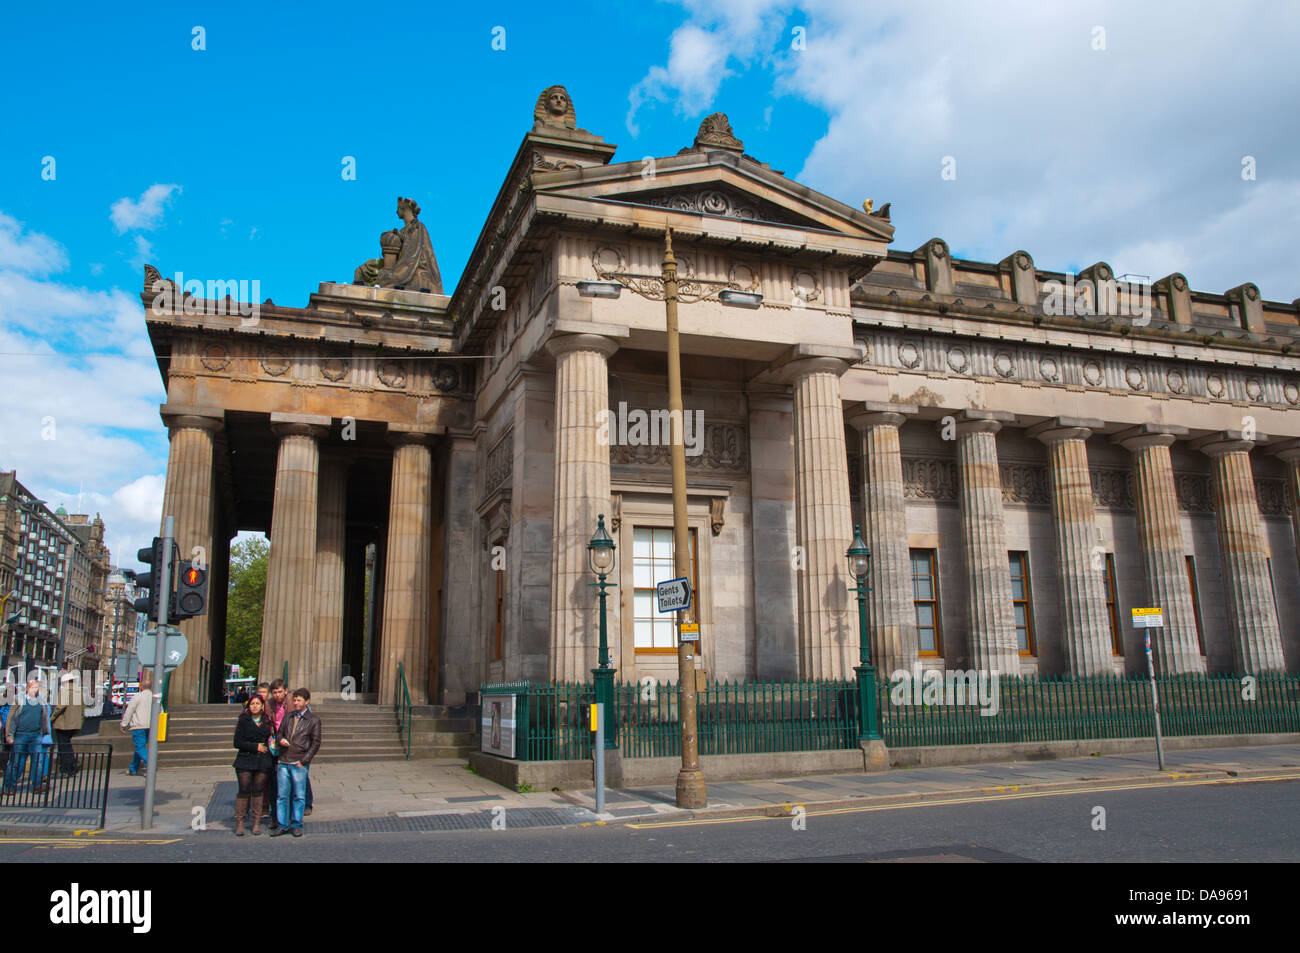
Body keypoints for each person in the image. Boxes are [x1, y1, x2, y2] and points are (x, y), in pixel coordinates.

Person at [269, 688, 320, 838]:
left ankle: (297, 824)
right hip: (284, 760)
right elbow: (279, 733)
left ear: (307, 702)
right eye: (295, 700)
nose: (296, 703)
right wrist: (280, 740)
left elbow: (316, 743)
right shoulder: (287, 717)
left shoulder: (313, 720)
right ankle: (282, 825)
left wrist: (304, 761)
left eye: (299, 700)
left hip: (299, 761)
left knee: (299, 795)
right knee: (282, 796)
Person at [231, 694, 273, 836]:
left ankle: (256, 823)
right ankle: (240, 822)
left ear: (262, 706)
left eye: (257, 703)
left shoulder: (267, 721)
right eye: (252, 704)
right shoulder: (243, 720)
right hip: (245, 759)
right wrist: (255, 746)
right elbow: (237, 742)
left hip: (262, 760)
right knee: (243, 790)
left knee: (258, 790)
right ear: (248, 706)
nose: (255, 706)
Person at [3, 679, 52, 794]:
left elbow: (44, 717)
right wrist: (9, 735)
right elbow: (11, 719)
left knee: (37, 762)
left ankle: (37, 785)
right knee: (16, 762)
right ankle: (8, 786)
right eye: (32, 687)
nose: (34, 690)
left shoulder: (42, 702)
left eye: (36, 688)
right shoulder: (19, 700)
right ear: (27, 689)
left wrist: (44, 733)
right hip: (20, 734)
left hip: (36, 735)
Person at [119, 672, 153, 777]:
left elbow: (129, 711)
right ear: (150, 687)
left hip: (139, 726)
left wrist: (123, 724)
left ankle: (150, 765)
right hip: (151, 726)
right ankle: (133, 768)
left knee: (139, 747)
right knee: (140, 747)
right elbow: (160, 711)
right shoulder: (155, 697)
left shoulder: (138, 697)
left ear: (141, 687)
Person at [51, 672, 84, 775]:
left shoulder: (65, 691)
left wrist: (51, 718)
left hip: (63, 723)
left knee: (63, 746)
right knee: (67, 744)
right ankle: (72, 764)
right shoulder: (79, 692)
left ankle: (68, 767)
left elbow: (60, 707)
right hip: (74, 723)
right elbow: (82, 709)